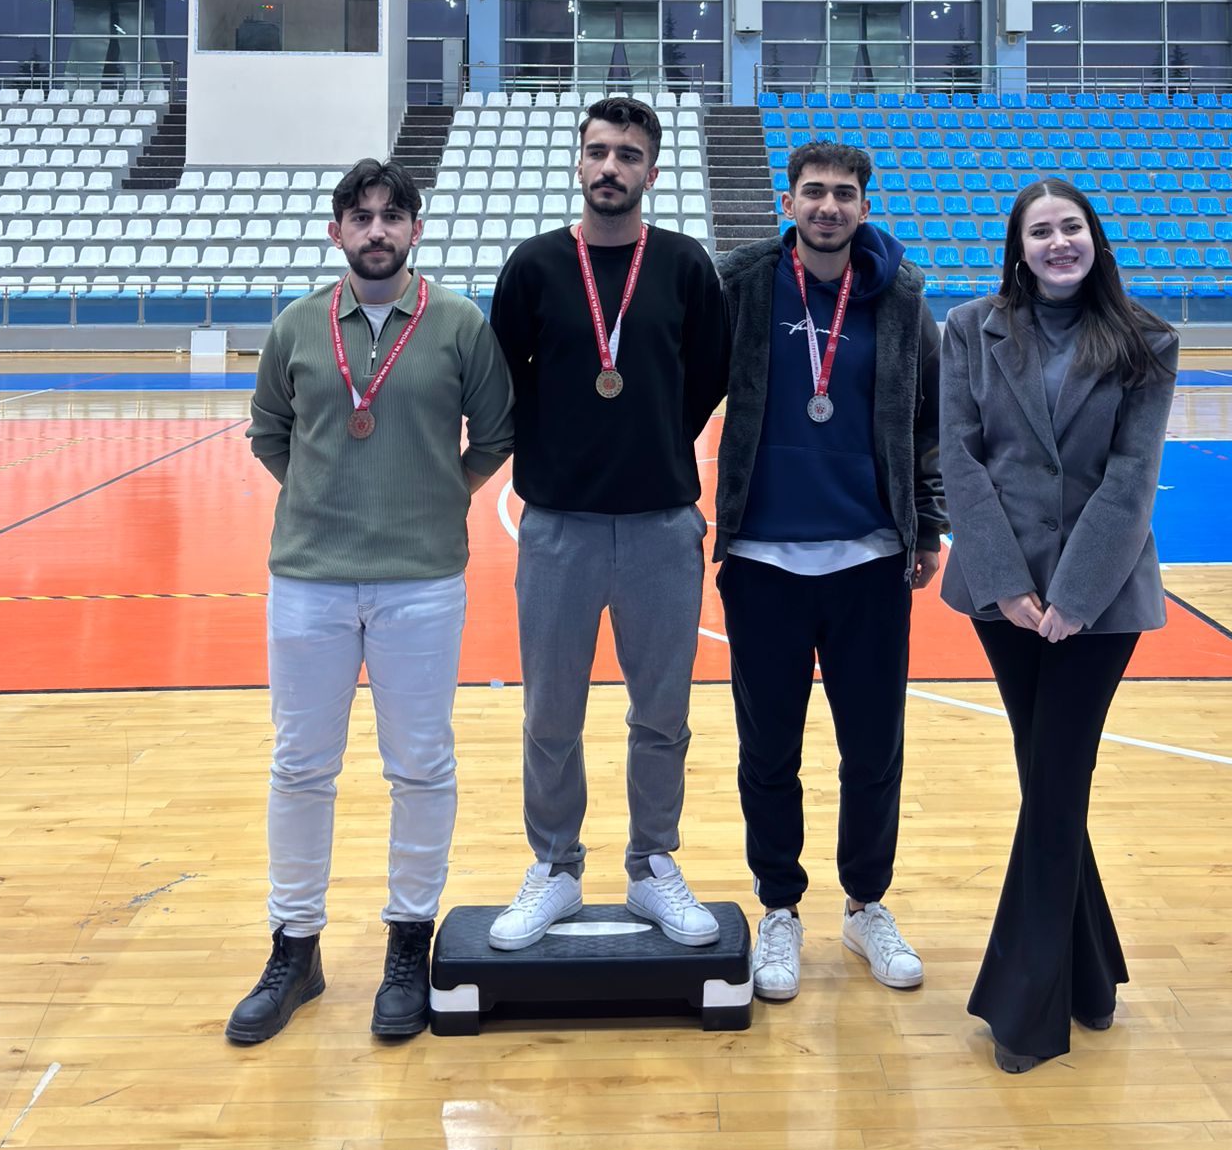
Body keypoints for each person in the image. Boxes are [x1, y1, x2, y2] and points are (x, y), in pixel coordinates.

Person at [227, 158, 515, 1046]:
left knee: (420, 765)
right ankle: (295, 947)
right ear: (337, 232)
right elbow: (268, 432)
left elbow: (496, 433)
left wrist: (439, 495)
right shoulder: (296, 326)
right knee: (299, 766)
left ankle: (407, 941)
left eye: (393, 215)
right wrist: (321, 496)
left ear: (416, 230)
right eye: (362, 216)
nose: (378, 230)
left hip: (421, 579)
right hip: (308, 578)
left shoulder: (459, 324)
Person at [939, 176, 1177, 1073]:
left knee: (1055, 781)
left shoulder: (1147, 339)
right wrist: (1006, 585)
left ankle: (1026, 1008)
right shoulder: (969, 329)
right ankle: (1090, 976)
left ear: (1093, 237)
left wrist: (1076, 596)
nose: (1057, 243)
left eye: (1069, 227)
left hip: (1099, 600)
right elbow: (960, 458)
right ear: (1019, 248)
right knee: (1048, 777)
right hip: (1001, 593)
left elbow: (1132, 477)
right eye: (1039, 232)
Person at [487, 95, 731, 948]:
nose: (610, 167)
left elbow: (708, 376)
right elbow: (504, 381)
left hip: (663, 525)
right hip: (557, 527)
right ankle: (555, 868)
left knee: (661, 715)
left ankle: (652, 865)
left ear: (651, 172)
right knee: (550, 716)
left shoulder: (686, 265)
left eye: (628, 155)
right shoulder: (534, 266)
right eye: (598, 151)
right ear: (579, 162)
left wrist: (653, 438)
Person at [714, 142, 946, 1001]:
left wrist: (930, 523)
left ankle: (865, 903)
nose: (828, 206)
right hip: (762, 559)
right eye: (813, 191)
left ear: (863, 205)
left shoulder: (902, 295)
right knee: (769, 751)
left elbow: (928, 421)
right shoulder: (744, 285)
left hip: (871, 559)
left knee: (873, 750)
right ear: (788, 201)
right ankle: (779, 907)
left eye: (844, 194)